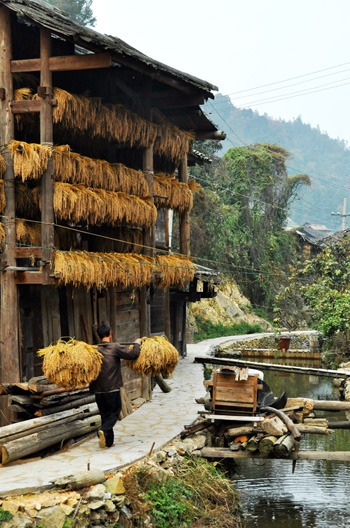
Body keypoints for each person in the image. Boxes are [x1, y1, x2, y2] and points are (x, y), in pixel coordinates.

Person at [90, 323, 141, 449]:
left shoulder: (93, 350)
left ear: (98, 335)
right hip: (112, 388)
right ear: (110, 334)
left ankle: (107, 442)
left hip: (98, 390)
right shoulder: (115, 347)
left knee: (105, 415)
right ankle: (102, 430)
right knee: (115, 412)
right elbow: (133, 355)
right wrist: (137, 344)